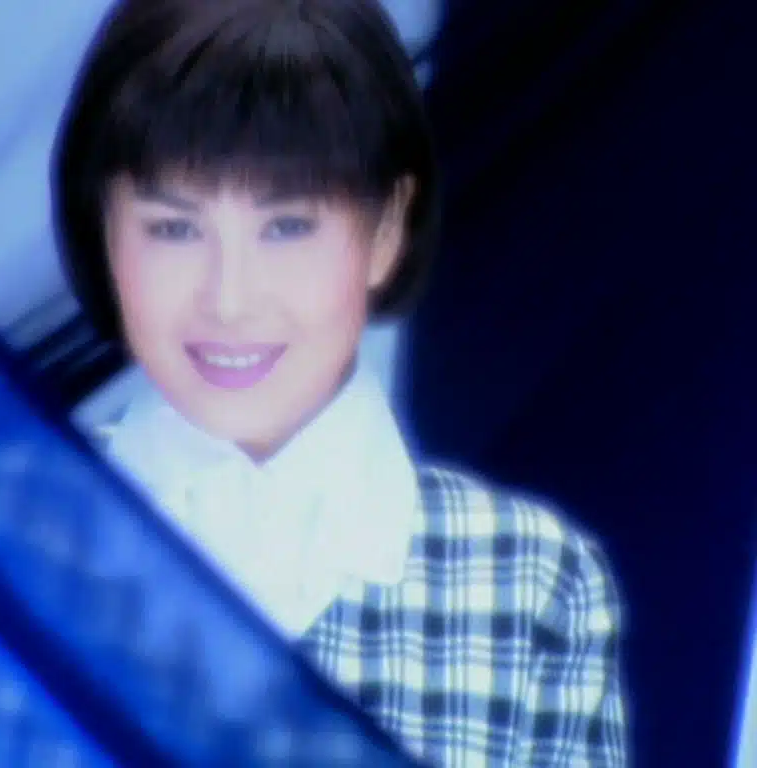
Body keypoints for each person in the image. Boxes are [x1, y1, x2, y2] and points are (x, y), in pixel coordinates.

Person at [49, 0, 629, 766]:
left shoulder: (531, 582)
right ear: (101, 226)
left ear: (386, 228)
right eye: (175, 228)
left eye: (288, 226)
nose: (229, 298)